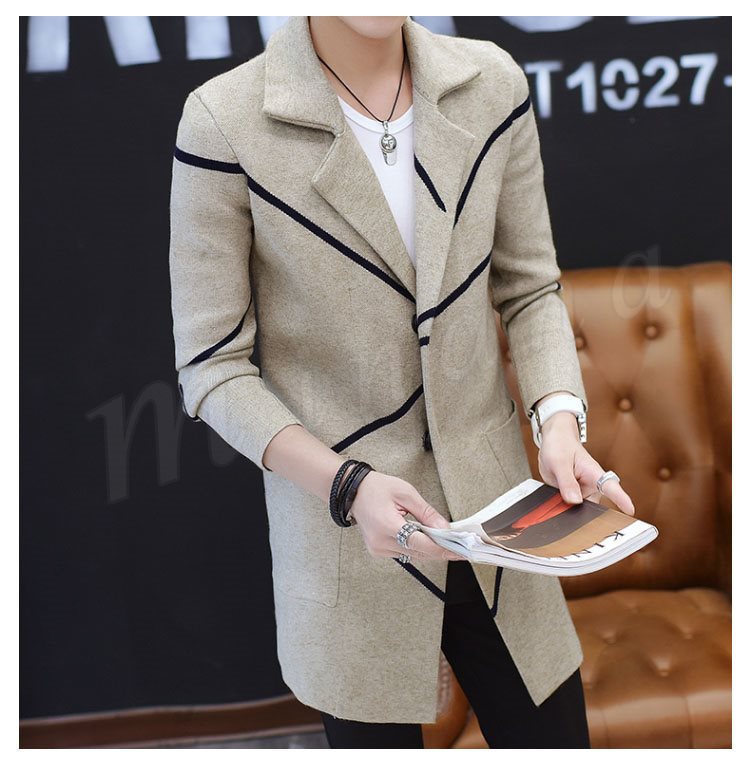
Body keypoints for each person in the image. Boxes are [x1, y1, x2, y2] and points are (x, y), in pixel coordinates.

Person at [168, 15, 636, 748]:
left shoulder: (491, 84)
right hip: (345, 536)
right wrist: (348, 486)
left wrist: (559, 425)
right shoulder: (224, 121)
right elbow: (212, 365)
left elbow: (529, 288)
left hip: (498, 520)